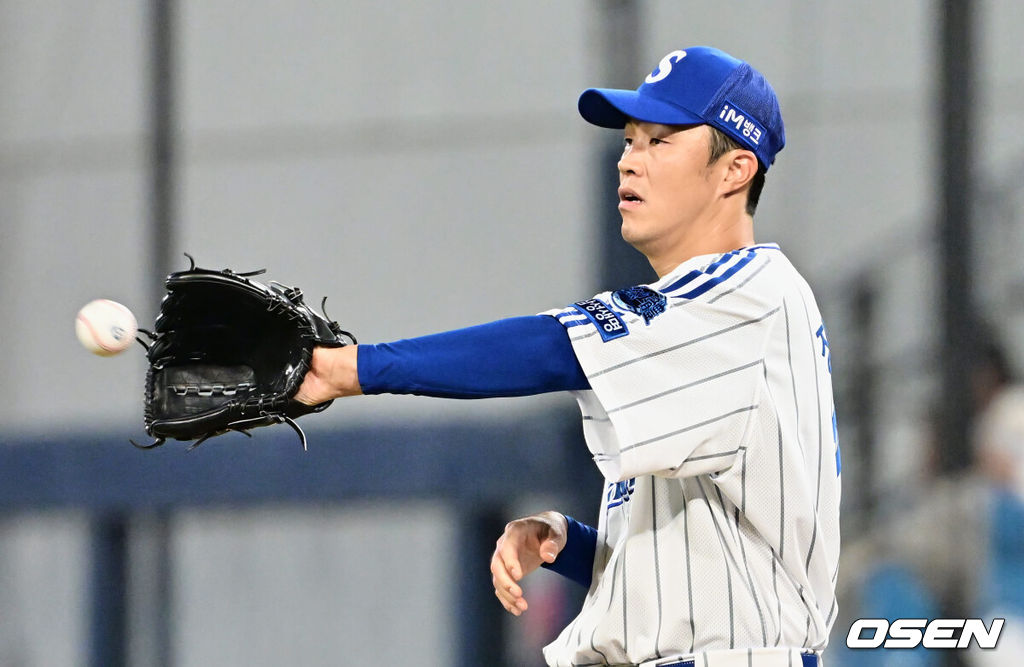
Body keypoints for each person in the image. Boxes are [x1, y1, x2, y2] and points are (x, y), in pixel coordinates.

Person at [296, 46, 840, 667]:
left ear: (735, 169)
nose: (629, 160)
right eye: (629, 141)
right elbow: (716, 563)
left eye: (659, 141)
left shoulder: (748, 294)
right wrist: (574, 545)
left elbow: (554, 347)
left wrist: (346, 368)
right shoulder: (704, 330)